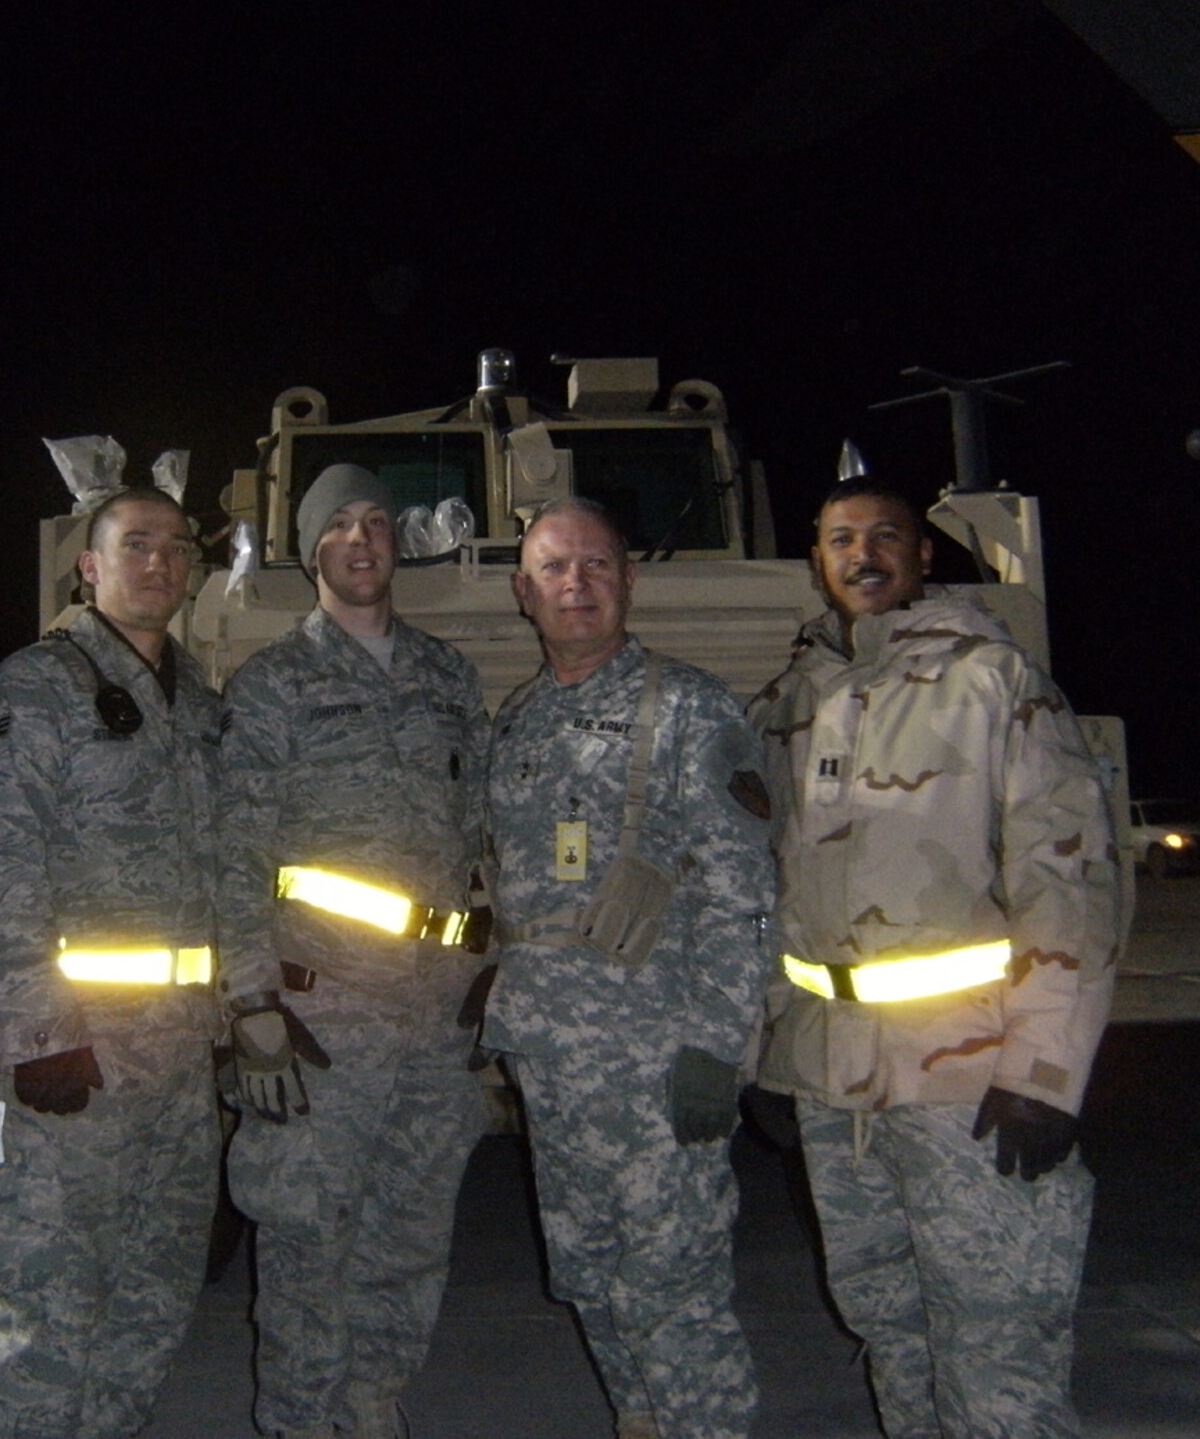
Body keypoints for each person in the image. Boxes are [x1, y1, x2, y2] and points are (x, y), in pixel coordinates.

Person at [747, 476, 1124, 1438]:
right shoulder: (797, 700)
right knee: (889, 1325)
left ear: (923, 558)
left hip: (969, 1080)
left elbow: (1069, 882)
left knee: (997, 1347)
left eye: (884, 537)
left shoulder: (991, 683)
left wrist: (1045, 1072)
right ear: (819, 564)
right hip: (835, 1087)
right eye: (839, 539)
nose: (861, 554)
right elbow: (764, 890)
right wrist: (771, 1051)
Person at [482, 495, 776, 1439]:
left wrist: (716, 1048)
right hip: (553, 1071)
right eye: (557, 569)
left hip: (657, 1064)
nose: (578, 584)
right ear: (525, 593)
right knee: (590, 1277)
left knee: (676, 1293)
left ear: (629, 581)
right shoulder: (519, 721)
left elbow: (741, 893)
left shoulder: (688, 709)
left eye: (598, 565)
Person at [217, 463, 493, 1439]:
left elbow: (481, 836)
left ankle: (374, 1411)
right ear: (310, 550)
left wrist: (487, 972)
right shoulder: (272, 684)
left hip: (436, 1016)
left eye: (377, 522)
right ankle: (298, 1422)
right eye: (340, 526)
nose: (363, 540)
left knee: (409, 1241)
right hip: (318, 1012)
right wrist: (250, 1004)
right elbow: (235, 853)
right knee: (305, 1242)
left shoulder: (450, 678)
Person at [0, 486, 223, 1439]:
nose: (159, 562)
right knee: (46, 1314)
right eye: (135, 544)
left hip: (182, 1064)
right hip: (76, 1062)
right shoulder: (35, 689)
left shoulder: (199, 702)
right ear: (89, 566)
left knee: (150, 1307)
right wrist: (36, 1036)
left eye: (176, 547)